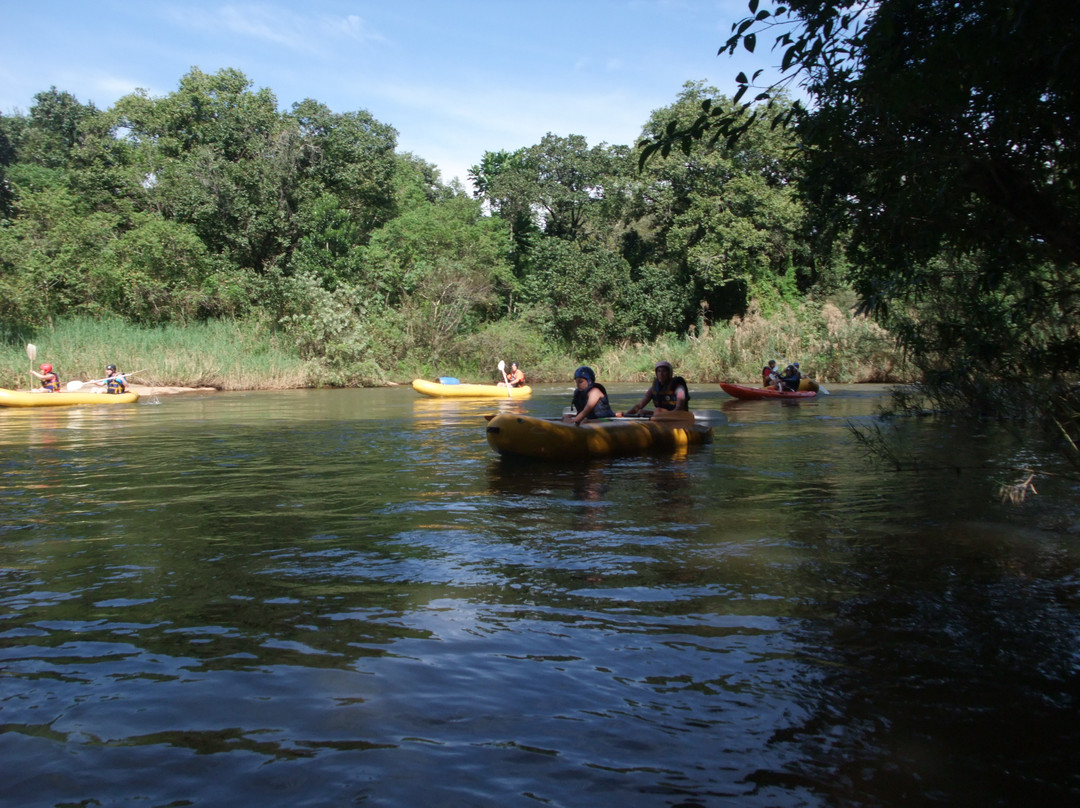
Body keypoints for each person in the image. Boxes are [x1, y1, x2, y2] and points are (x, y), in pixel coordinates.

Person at [623, 360, 690, 417]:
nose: (661, 374)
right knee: (641, 411)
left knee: (658, 410)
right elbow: (639, 406)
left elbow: (679, 409)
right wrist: (625, 415)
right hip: (661, 416)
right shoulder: (653, 389)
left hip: (678, 417)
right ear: (656, 373)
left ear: (669, 373)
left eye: (664, 371)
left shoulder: (679, 388)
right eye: (659, 371)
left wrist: (658, 414)